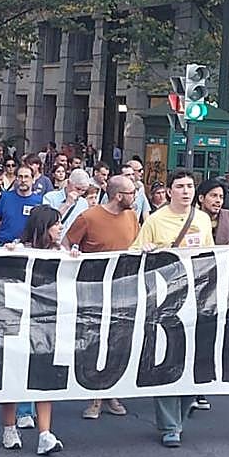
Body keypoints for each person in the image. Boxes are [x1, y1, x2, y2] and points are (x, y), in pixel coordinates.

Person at [131, 170, 214, 448]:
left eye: (190, 186)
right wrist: (147, 250)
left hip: (196, 297)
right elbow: (134, 252)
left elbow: (210, 255)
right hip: (166, 301)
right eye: (180, 186)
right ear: (169, 191)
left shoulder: (202, 219)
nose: (186, 191)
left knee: (194, 359)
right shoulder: (155, 220)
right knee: (167, 360)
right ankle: (170, 426)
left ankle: (184, 406)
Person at [65, 174, 139, 420]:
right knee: (96, 340)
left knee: (119, 341)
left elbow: (136, 245)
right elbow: (67, 243)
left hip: (124, 290)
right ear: (119, 195)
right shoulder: (89, 216)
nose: (135, 196)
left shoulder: (131, 216)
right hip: (94, 290)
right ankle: (94, 396)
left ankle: (111, 392)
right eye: (131, 193)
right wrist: (73, 256)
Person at [0, 205, 65, 455]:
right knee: (12, 376)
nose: (60, 228)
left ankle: (45, 434)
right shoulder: (20, 250)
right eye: (56, 224)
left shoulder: (63, 252)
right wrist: (8, 254)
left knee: (44, 377)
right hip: (18, 323)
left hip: (47, 325)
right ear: (43, 227)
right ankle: (9, 427)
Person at [0, 164, 43, 245]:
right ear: (16, 179)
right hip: (2, 244)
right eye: (20, 177)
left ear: (33, 180)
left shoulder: (39, 201)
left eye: (26, 177)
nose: (23, 180)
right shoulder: (5, 197)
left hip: (26, 246)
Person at [43, 168, 91, 238]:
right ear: (68, 183)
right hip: (50, 240)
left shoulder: (83, 203)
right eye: (77, 189)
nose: (79, 193)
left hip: (70, 244)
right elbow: (46, 221)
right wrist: (67, 204)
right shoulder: (50, 197)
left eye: (83, 190)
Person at [196, 177, 229, 246]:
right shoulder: (192, 219)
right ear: (201, 198)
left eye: (221, 197)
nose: (218, 200)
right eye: (214, 196)